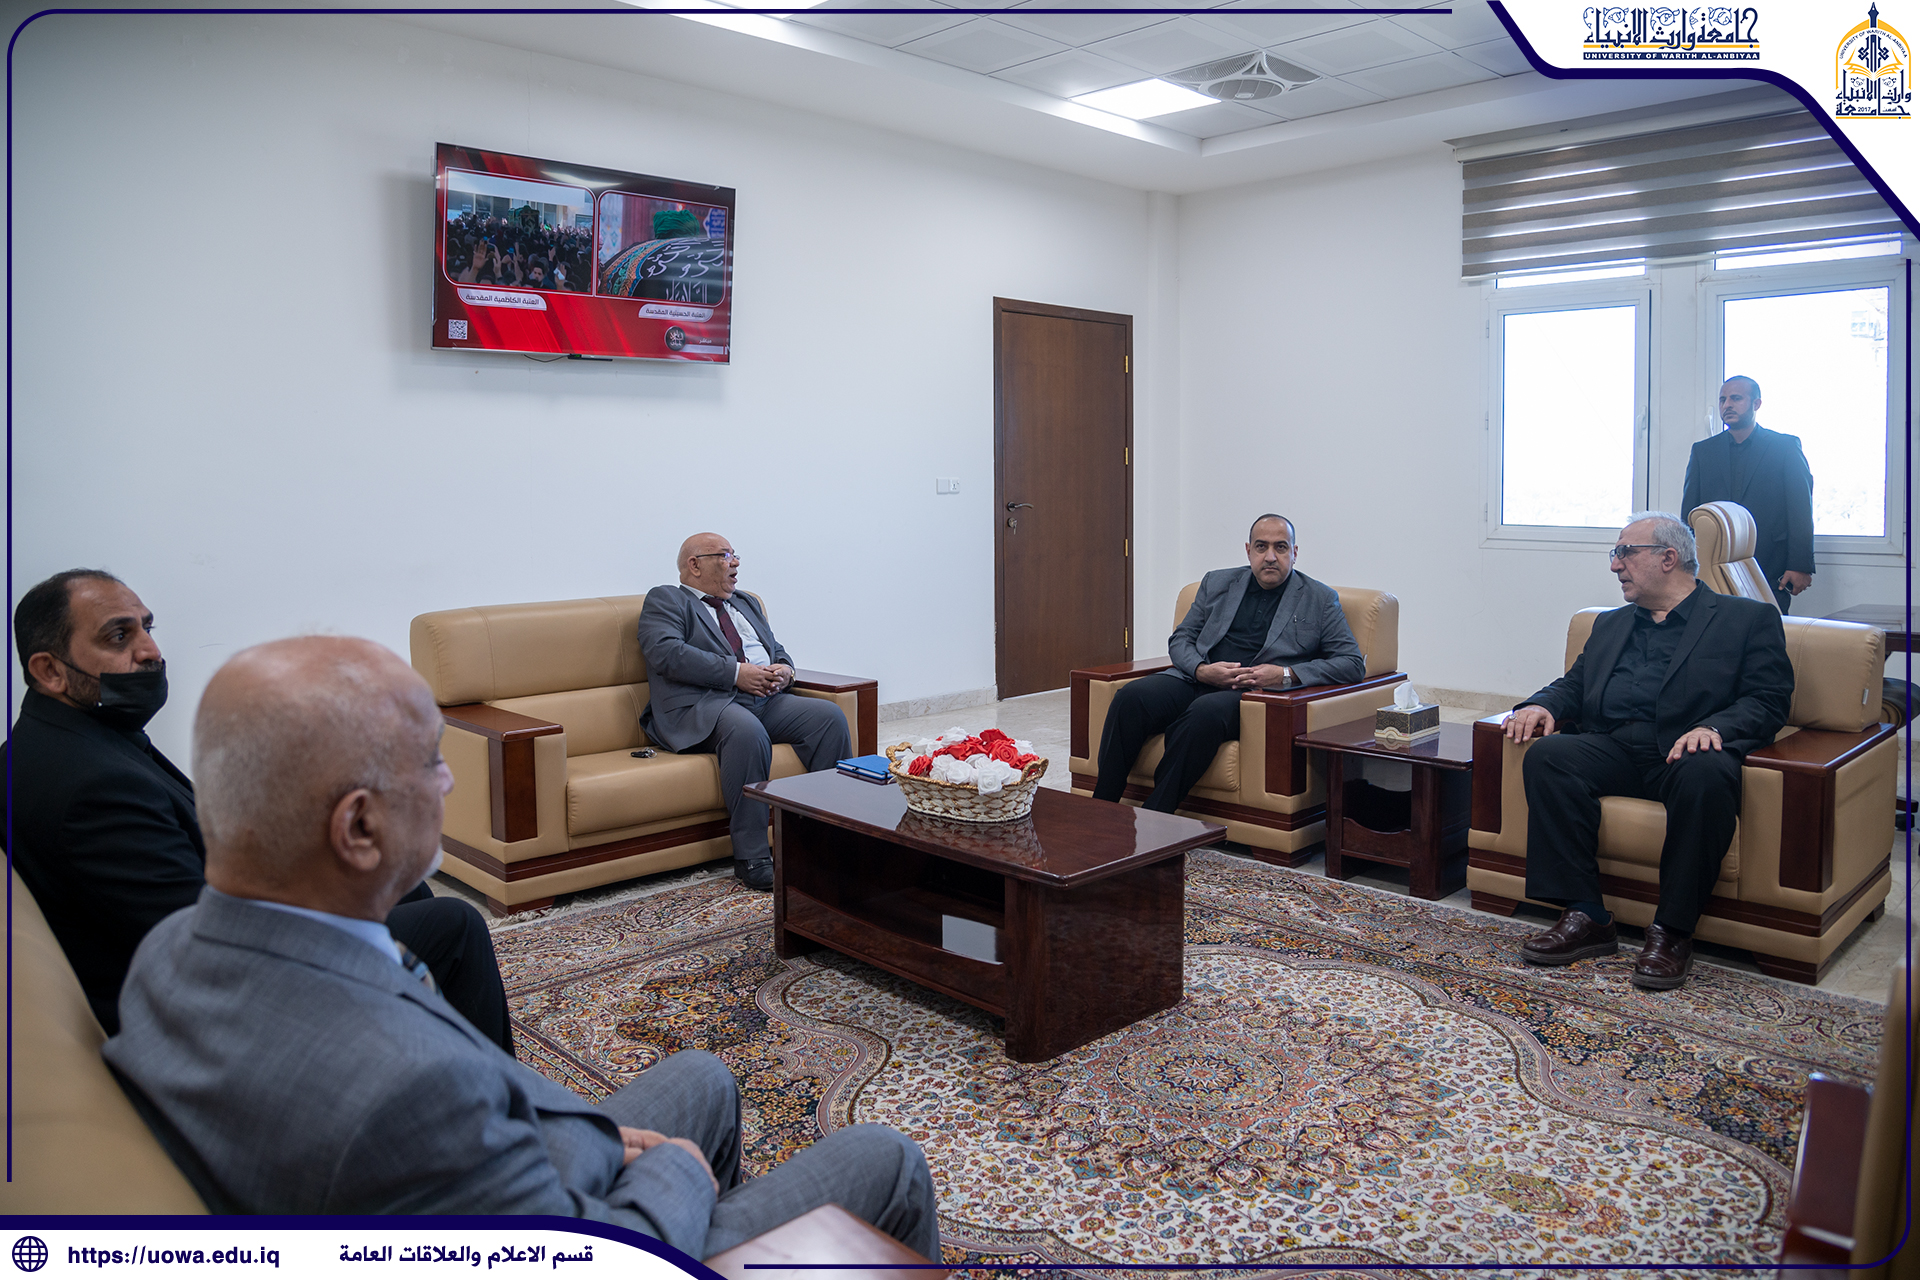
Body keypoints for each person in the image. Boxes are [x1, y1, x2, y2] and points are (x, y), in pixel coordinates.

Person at [102, 637, 939, 1258]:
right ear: (358, 828)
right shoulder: (407, 1087)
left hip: (486, 1191)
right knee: (886, 1157)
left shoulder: (168, 948)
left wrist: (598, 1144)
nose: (449, 782)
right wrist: (674, 1171)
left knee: (704, 1075)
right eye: (431, 764)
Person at [5, 569, 512, 1050]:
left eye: (147, 628)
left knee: (401, 881)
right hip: (214, 1007)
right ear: (49, 670)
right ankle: (495, 1094)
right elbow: (209, 947)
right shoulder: (92, 787)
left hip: (203, 943)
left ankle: (419, 1045)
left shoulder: (62, 742)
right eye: (119, 637)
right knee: (455, 924)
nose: (151, 652)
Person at [1504, 512, 1793, 991]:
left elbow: (1769, 699)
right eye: (1614, 554)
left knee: (1706, 772)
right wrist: (1541, 704)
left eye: (1624, 553)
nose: (1614, 565)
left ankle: (1672, 931)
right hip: (1615, 748)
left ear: (1668, 558)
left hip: (1684, 754)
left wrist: (1714, 728)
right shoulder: (1610, 624)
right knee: (1549, 755)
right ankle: (1586, 915)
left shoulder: (1746, 619)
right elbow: (1575, 684)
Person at [1091, 514, 1365, 814]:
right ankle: (1101, 810)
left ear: (1294, 553)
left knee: (1203, 713)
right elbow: (1182, 638)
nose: (1270, 556)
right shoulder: (1217, 582)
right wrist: (1201, 670)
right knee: (1130, 697)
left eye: (1281, 547)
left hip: (1249, 693)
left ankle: (1155, 817)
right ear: (1248, 550)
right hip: (1197, 677)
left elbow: (1351, 663)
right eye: (1261, 547)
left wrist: (1285, 674)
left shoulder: (1320, 598)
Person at [636, 535, 850, 891]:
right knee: (746, 731)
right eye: (725, 555)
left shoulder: (746, 602)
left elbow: (775, 648)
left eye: (735, 555)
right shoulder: (667, 600)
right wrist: (736, 673)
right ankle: (752, 857)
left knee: (829, 719)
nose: (735, 562)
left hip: (765, 700)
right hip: (705, 705)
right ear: (694, 565)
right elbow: (667, 653)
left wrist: (785, 670)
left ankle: (829, 837)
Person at [1680, 375, 1815, 612]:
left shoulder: (1784, 447)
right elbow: (1689, 513)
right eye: (1722, 400)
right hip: (1711, 566)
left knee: (1767, 631)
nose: (1727, 405)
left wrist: (1800, 565)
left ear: (1756, 404)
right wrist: (1684, 565)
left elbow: (1800, 508)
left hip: (1769, 563)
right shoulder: (1703, 451)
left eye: (1736, 398)